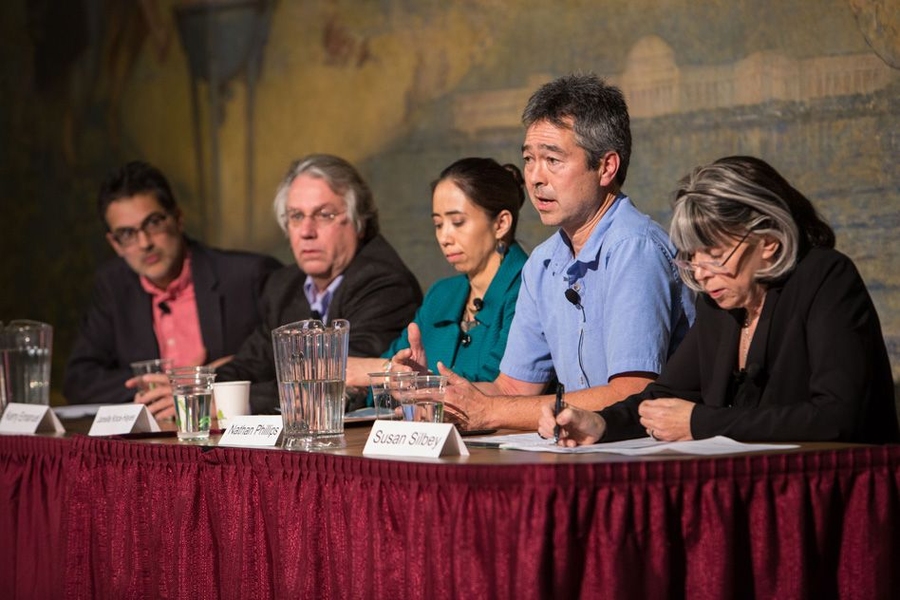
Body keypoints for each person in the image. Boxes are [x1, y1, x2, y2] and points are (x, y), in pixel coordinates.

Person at [539, 156, 900, 445]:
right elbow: (664, 396)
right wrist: (600, 424)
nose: (701, 272)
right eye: (692, 258)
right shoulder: (717, 302)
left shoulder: (826, 279)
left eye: (714, 254)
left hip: (841, 487)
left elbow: (838, 415)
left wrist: (701, 422)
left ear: (769, 242)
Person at [440, 73, 696, 430]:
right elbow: (513, 388)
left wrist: (490, 412)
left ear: (606, 167)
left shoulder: (633, 249)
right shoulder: (543, 262)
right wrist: (443, 400)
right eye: (529, 159)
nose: (535, 178)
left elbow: (633, 391)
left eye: (553, 160)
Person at [175, 153, 424, 414]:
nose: (306, 231)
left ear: (358, 222)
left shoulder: (384, 284)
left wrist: (236, 401)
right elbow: (252, 362)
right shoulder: (284, 284)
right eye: (296, 216)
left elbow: (331, 381)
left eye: (324, 215)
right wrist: (196, 387)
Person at [64, 161, 282, 406]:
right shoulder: (113, 286)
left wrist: (213, 381)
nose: (145, 242)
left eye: (153, 222)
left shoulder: (249, 276)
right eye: (127, 234)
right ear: (115, 244)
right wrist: (171, 383)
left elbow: (289, 366)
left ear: (178, 219)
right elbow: (78, 380)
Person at [345, 157, 528, 386]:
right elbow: (390, 368)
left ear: (501, 224)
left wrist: (392, 375)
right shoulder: (441, 295)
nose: (444, 238)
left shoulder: (528, 288)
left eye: (458, 222)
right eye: (438, 225)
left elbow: (500, 387)